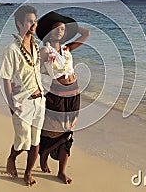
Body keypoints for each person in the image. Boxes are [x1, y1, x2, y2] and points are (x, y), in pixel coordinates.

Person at [36, 11, 90, 184]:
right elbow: (33, 70)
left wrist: (69, 26)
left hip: (73, 93)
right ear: (49, 33)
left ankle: (61, 171)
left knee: (68, 132)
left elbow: (86, 34)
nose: (59, 31)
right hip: (56, 94)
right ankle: (43, 154)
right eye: (55, 28)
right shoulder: (45, 50)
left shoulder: (67, 49)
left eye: (62, 29)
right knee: (52, 131)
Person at [0, 5, 45, 186]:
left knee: (36, 141)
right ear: (19, 23)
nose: (33, 24)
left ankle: (28, 172)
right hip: (21, 102)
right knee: (23, 140)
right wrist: (11, 104)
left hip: (39, 100)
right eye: (29, 21)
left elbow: (36, 72)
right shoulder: (11, 49)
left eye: (35, 21)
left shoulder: (36, 45)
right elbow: (6, 78)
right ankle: (12, 157)